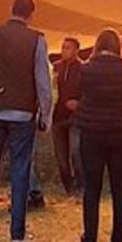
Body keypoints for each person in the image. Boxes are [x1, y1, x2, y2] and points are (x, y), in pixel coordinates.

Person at [0, 0, 53, 242]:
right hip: (22, 115)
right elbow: (42, 82)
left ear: (12, 10)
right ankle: (17, 234)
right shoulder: (36, 39)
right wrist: (45, 116)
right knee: (20, 172)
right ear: (31, 15)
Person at [75, 28, 122, 242]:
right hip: (119, 133)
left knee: (92, 188)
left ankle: (90, 235)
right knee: (120, 187)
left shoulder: (85, 70)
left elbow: (72, 93)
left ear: (97, 46)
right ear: (118, 47)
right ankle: (120, 235)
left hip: (91, 133)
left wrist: (82, 108)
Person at [52, 36, 85, 195]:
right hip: (58, 117)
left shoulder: (84, 69)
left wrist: (79, 103)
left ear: (76, 50)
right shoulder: (56, 68)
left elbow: (90, 92)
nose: (64, 51)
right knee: (61, 157)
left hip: (76, 118)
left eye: (68, 48)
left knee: (76, 152)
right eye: (63, 47)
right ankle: (68, 187)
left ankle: (81, 185)